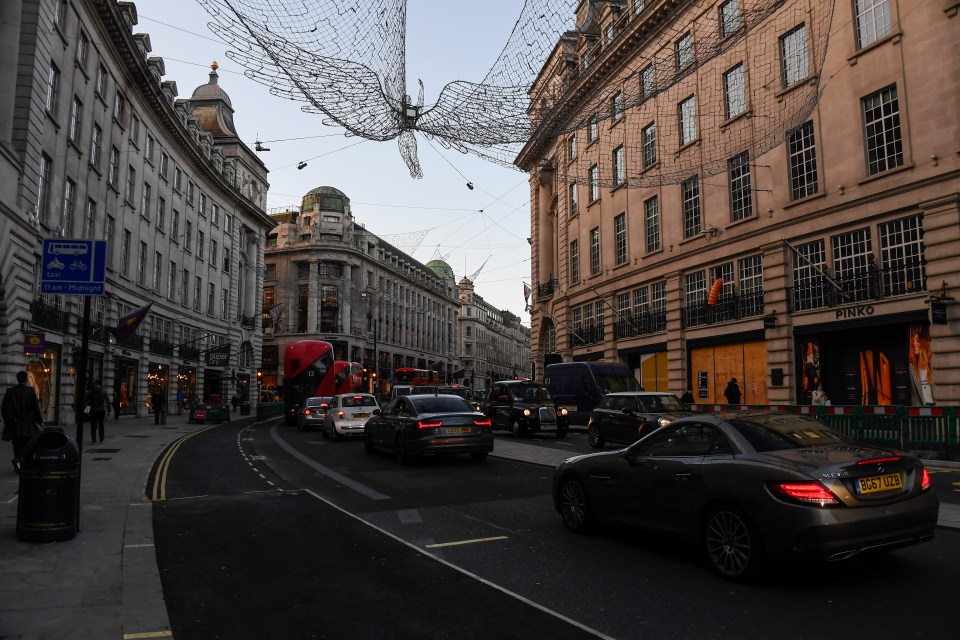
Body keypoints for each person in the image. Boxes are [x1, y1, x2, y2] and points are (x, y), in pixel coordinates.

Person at [2, 371, 45, 475]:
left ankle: (18, 460)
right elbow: (36, 409)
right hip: (28, 424)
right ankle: (20, 462)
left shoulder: (10, 391)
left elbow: (4, 409)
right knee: (27, 444)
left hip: (15, 424)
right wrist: (40, 421)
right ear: (26, 379)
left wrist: (8, 421)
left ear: (17, 379)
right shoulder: (30, 391)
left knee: (16, 444)